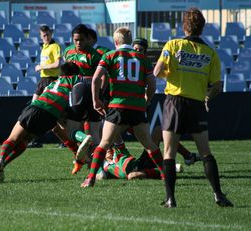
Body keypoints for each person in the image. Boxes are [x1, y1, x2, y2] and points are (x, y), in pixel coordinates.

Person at [153, 8, 233, 207]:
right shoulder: (210, 52)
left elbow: (157, 71)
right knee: (205, 152)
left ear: (184, 26)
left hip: (175, 102)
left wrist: (170, 74)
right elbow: (217, 86)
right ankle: (218, 195)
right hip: (197, 104)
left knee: (169, 152)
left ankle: (170, 199)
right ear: (202, 28)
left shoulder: (173, 44)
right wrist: (207, 96)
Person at [81, 27, 164, 188]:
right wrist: (146, 100)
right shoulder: (142, 58)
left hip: (117, 106)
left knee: (104, 143)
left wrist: (96, 100)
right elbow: (152, 84)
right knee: (149, 144)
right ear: (130, 41)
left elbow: (96, 78)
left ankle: (90, 178)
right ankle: (164, 174)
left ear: (115, 42)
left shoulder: (110, 55)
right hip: (137, 108)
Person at [0, 62, 82, 183]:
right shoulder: (75, 80)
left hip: (37, 107)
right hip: (51, 116)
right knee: (25, 141)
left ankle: (0, 160)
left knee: (13, 138)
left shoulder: (53, 83)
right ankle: (1, 165)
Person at [63, 24, 103, 174]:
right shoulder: (68, 52)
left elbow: (102, 76)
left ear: (88, 39)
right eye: (75, 40)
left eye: (81, 40)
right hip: (90, 91)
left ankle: (85, 141)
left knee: (72, 129)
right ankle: (98, 169)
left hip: (81, 90)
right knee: (95, 134)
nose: (78, 43)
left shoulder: (94, 55)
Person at [28, 25, 63, 148]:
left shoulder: (55, 46)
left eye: (47, 34)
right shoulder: (44, 47)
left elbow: (58, 64)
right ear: (40, 36)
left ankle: (64, 140)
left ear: (51, 34)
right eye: (43, 35)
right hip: (43, 80)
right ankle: (35, 140)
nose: (46, 37)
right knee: (34, 108)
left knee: (55, 112)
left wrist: (41, 67)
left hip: (52, 81)